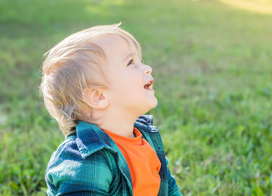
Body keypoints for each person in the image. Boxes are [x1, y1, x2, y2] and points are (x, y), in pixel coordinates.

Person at [40, 24, 182, 195]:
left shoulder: (146, 139)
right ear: (99, 96)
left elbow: (170, 190)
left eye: (140, 60)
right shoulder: (86, 159)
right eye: (130, 62)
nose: (147, 68)